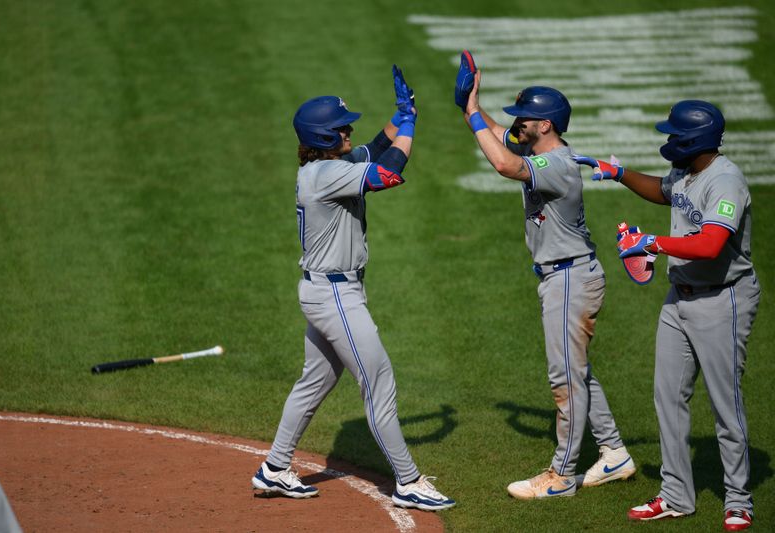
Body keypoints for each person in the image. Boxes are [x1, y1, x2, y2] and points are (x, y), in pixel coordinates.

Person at [250, 66, 455, 511]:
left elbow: (373, 147)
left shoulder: (327, 166)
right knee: (379, 383)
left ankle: (274, 468)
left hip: (326, 291)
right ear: (324, 138)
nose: (349, 131)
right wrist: (412, 129)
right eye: (341, 128)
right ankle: (408, 481)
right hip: (336, 297)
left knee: (315, 382)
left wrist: (401, 115)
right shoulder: (327, 177)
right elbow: (389, 171)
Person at [456, 52, 635, 500]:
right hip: (565, 276)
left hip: (570, 279)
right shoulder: (539, 150)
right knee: (577, 373)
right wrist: (470, 110)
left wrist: (476, 114)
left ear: (547, 126)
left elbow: (503, 163)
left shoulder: (554, 165)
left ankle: (561, 476)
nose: (518, 124)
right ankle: (613, 452)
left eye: (526, 119)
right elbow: (503, 140)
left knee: (565, 380)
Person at [577, 100, 759, 531]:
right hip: (679, 299)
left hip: (723, 299)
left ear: (694, 141)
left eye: (674, 136)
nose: (668, 141)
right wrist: (618, 173)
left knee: (724, 403)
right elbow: (663, 190)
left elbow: (712, 244)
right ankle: (676, 494)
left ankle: (738, 499)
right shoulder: (687, 170)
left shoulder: (726, 181)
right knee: (668, 397)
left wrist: (653, 243)